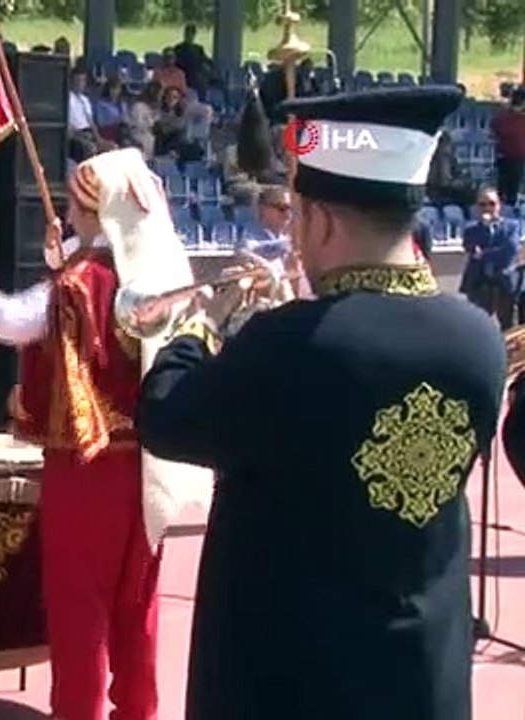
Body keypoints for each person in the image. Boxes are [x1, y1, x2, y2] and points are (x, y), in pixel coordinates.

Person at [137, 87, 506, 720]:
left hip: (297, 683)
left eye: (300, 217)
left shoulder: (289, 344)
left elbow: (166, 416)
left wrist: (199, 328)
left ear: (323, 221)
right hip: (421, 680)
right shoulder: (479, 340)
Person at [0, 148, 209, 720]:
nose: (67, 212)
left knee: (80, 614)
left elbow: (15, 320)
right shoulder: (163, 277)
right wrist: (68, 250)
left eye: (76, 205)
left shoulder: (78, 284)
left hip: (86, 471)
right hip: (147, 469)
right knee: (136, 607)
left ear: (93, 212)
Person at [459, 186, 521, 330]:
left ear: (499, 205)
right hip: (480, 283)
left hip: (504, 281)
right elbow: (470, 248)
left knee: (508, 325)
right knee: (478, 326)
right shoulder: (471, 229)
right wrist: (485, 228)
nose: (487, 208)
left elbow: (509, 250)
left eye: (491, 204)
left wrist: (484, 254)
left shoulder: (512, 226)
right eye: (482, 205)